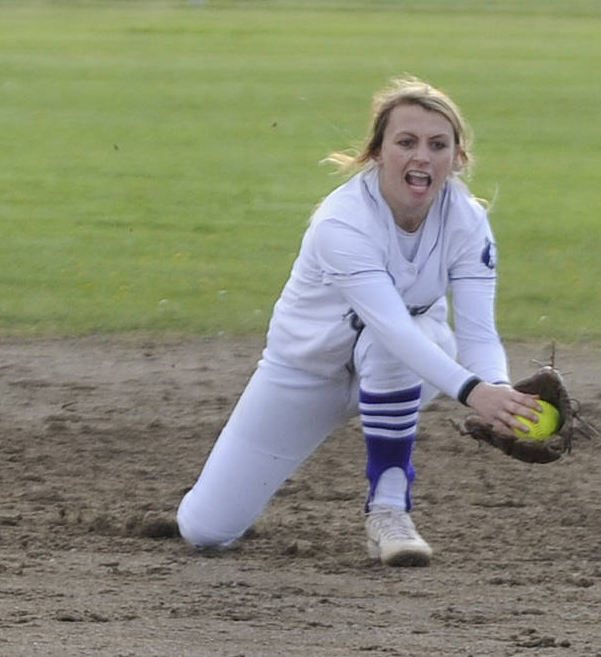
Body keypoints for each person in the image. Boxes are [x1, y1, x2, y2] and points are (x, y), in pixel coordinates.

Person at [177, 76, 543, 566]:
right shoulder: (342, 222)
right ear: (377, 152)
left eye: (438, 145)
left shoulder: (467, 221)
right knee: (205, 531)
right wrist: (478, 393)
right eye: (406, 142)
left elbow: (477, 333)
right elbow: (388, 321)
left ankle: (389, 511)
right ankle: (201, 510)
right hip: (305, 373)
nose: (422, 157)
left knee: (393, 346)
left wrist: (502, 394)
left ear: (457, 158)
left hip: (405, 364)